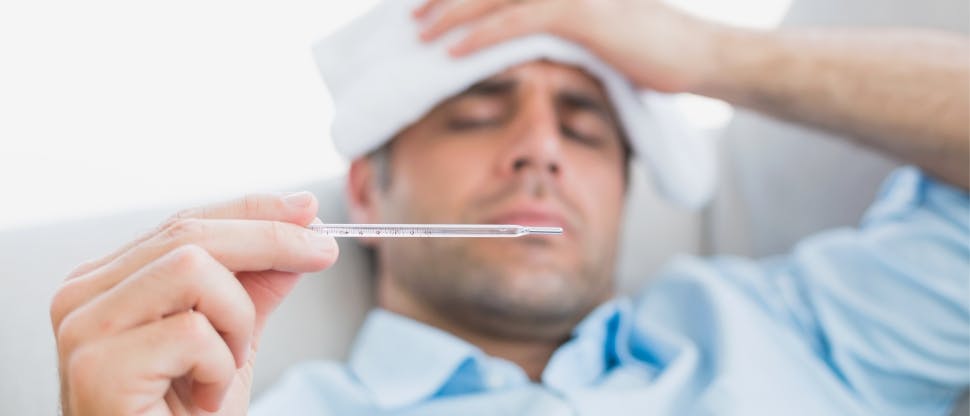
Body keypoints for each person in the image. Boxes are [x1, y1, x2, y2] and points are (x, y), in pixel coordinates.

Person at [50, 0, 969, 414]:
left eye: (585, 125)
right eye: (479, 116)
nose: (538, 147)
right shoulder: (227, 412)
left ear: (626, 190)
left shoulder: (797, 329)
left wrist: (713, 56)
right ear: (368, 189)